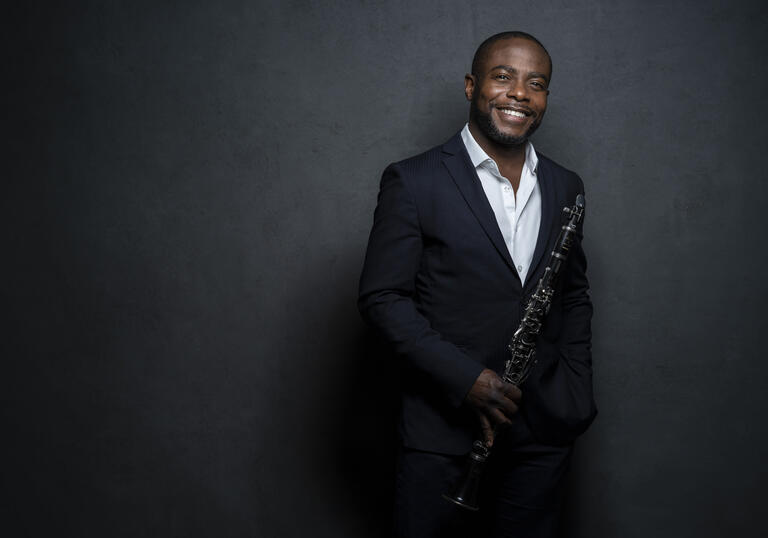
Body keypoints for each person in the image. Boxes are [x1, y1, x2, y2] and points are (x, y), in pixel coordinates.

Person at [358, 31, 597, 538]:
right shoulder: (414, 180)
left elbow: (573, 296)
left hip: (542, 428)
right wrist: (466, 378)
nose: (519, 94)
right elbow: (383, 299)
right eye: (503, 77)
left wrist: (574, 386)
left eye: (537, 84)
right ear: (472, 86)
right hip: (442, 429)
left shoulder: (565, 185)